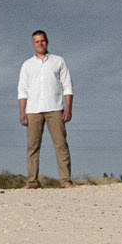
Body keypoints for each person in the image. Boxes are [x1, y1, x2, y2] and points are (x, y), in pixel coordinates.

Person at [17, 28, 74, 187]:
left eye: (42, 40)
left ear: (47, 41)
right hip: (33, 110)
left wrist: (68, 108)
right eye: (37, 41)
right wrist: (22, 112)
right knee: (32, 147)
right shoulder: (27, 65)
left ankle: (65, 180)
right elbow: (22, 91)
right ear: (33, 44)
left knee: (61, 144)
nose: (40, 44)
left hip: (55, 108)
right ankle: (32, 181)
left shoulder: (58, 61)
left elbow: (67, 86)